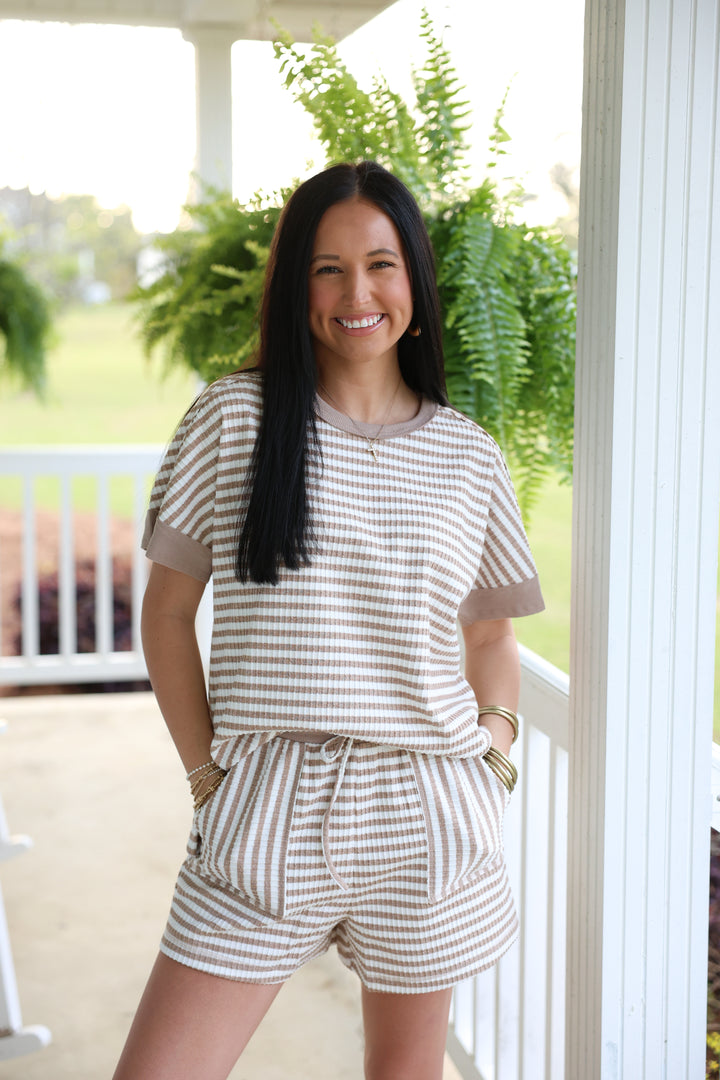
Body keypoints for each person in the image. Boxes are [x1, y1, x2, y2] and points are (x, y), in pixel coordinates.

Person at [112, 160, 544, 1080]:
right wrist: (206, 776)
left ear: (416, 286)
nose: (358, 293)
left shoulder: (468, 456)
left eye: (382, 264)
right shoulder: (232, 420)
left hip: (426, 812)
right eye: (327, 268)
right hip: (266, 805)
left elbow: (491, 635)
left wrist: (494, 762)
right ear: (295, 287)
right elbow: (166, 613)